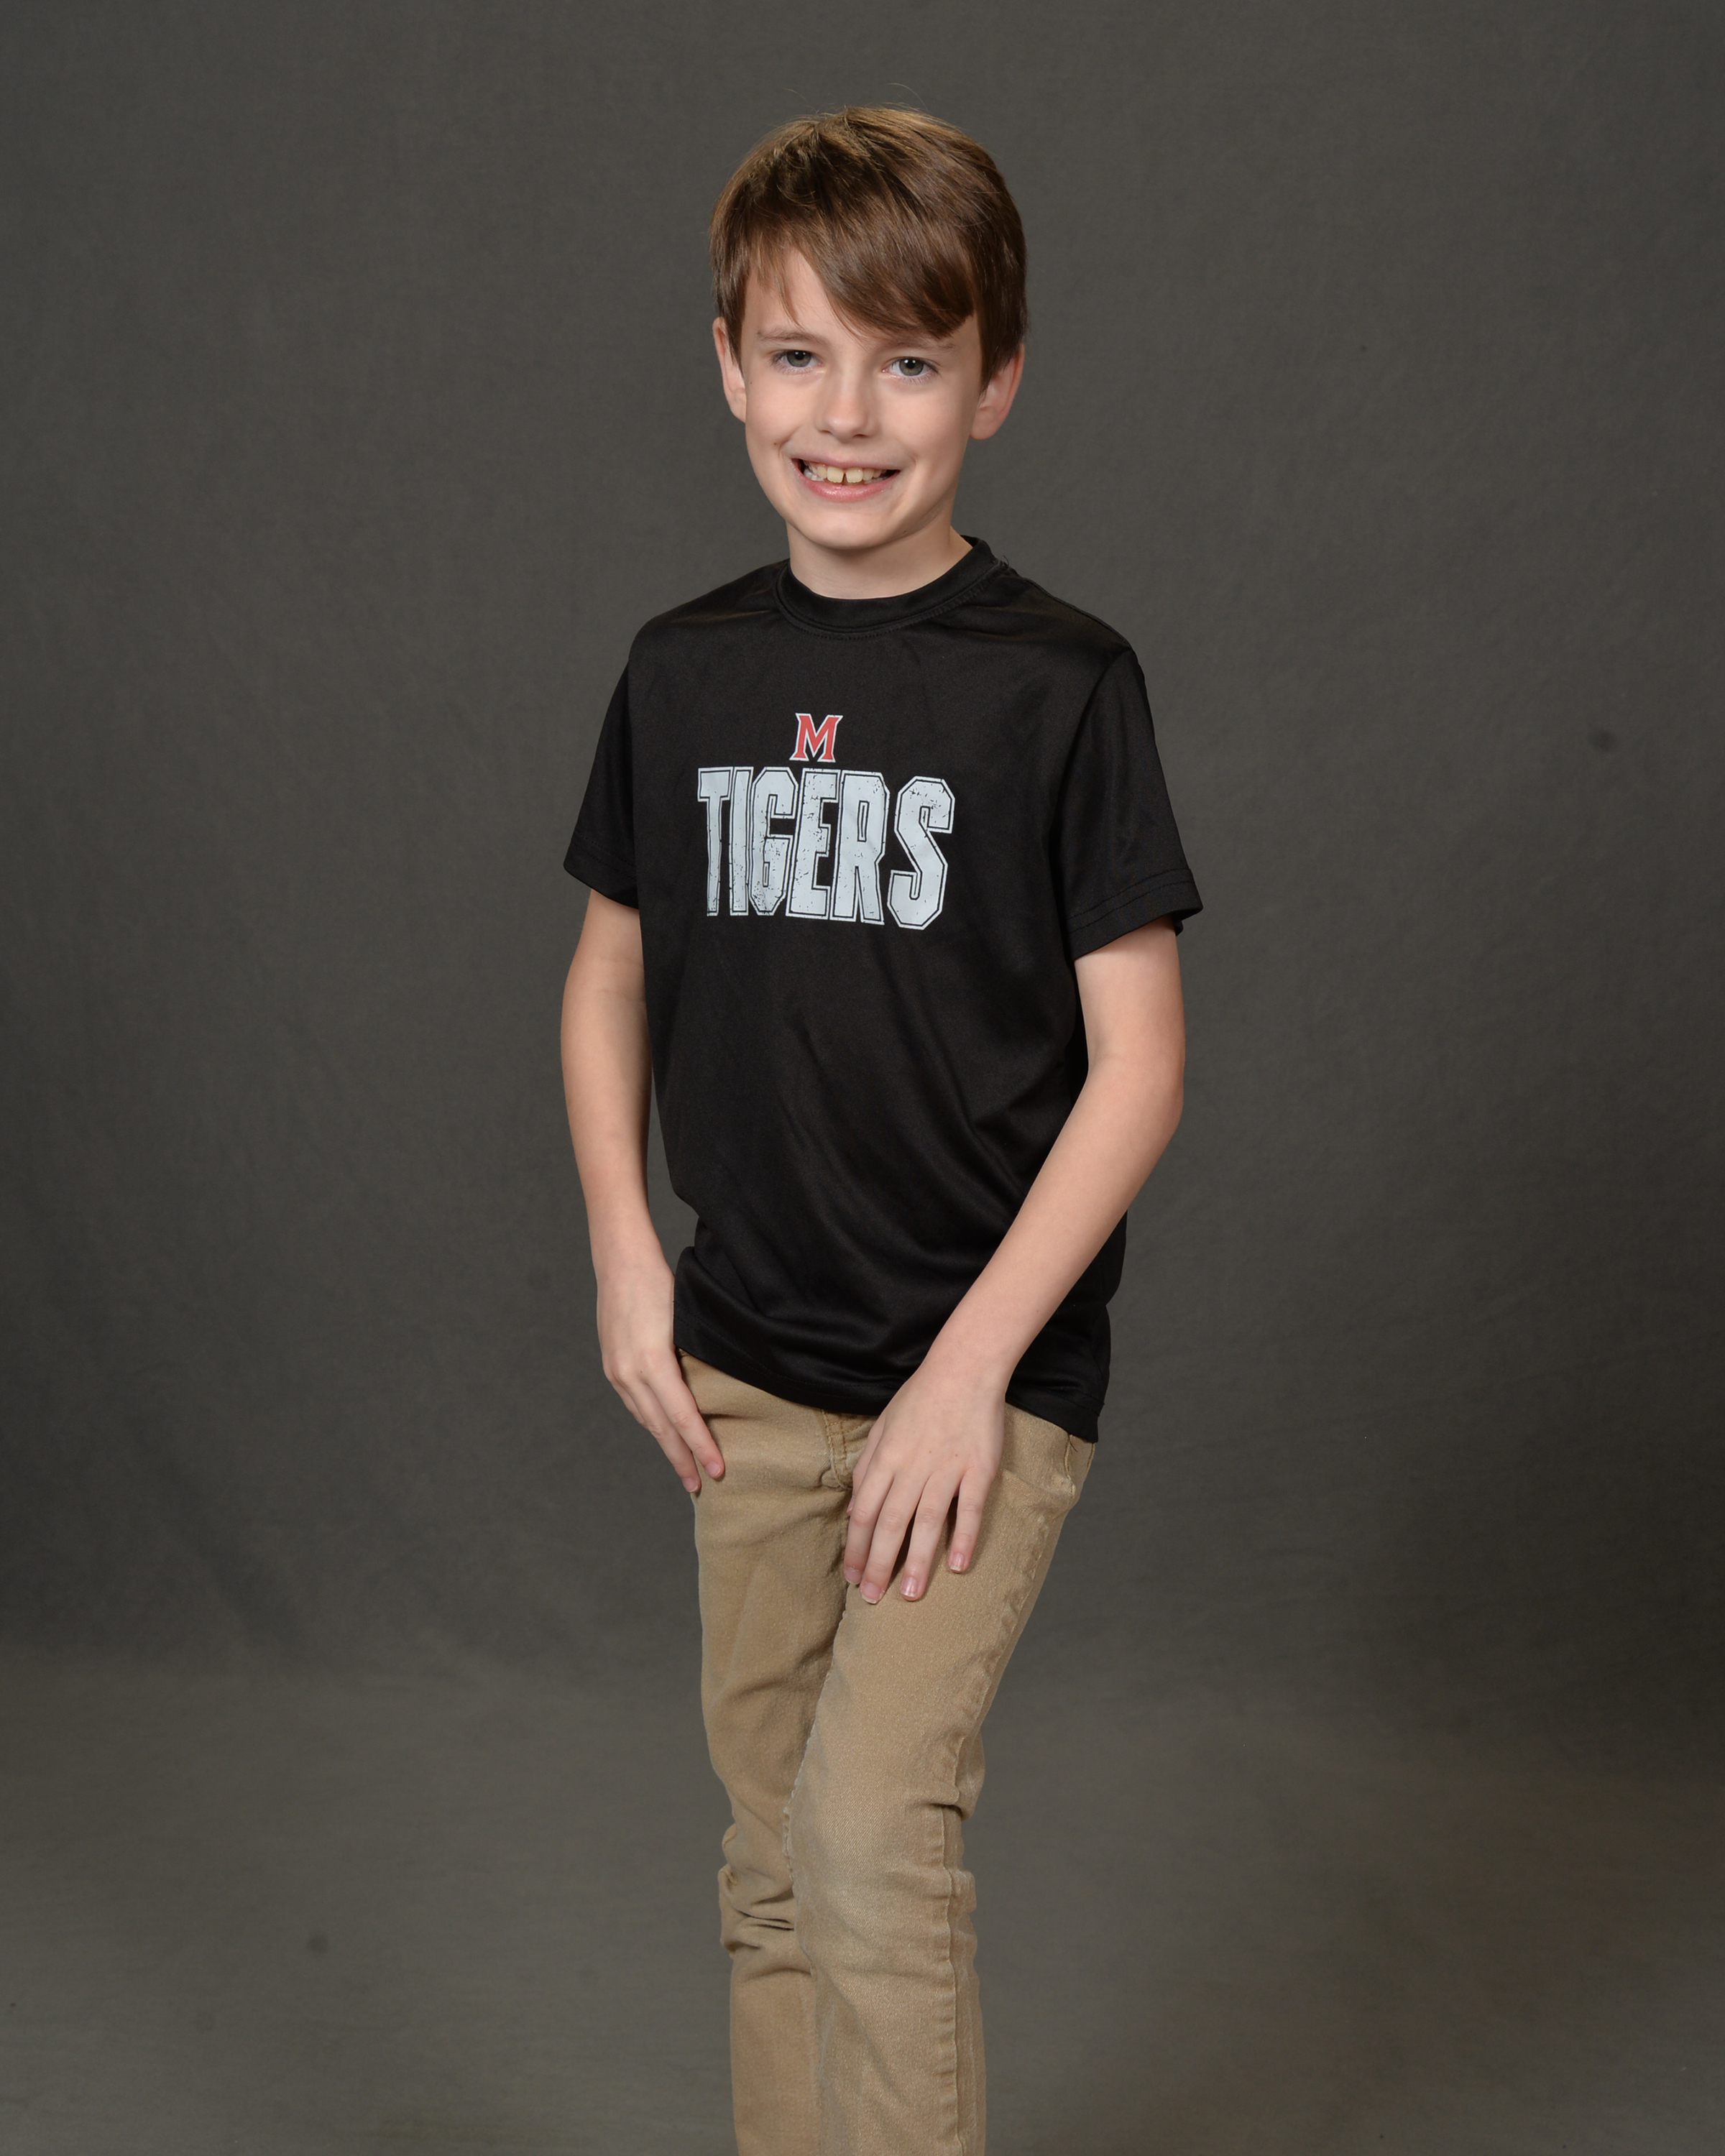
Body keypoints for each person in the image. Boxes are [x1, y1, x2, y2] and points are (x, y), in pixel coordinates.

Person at [559, 105, 1201, 2156]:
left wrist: (966, 1376)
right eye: (798, 355)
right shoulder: (683, 671)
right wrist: (627, 1253)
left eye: (909, 362)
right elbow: (606, 977)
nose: (846, 415)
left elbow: (1141, 1066)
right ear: (728, 367)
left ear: (994, 383)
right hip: (746, 1374)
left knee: (864, 1835)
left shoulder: (1061, 686)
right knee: (770, 1856)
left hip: (974, 1385)